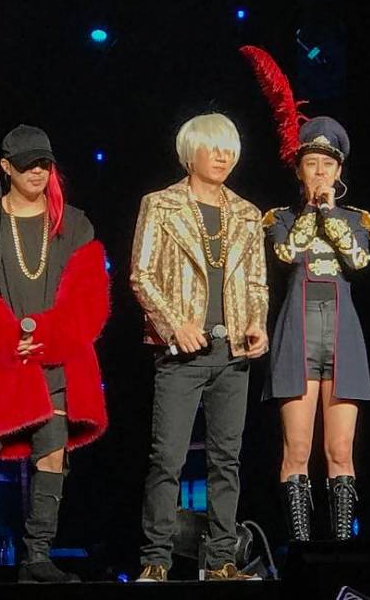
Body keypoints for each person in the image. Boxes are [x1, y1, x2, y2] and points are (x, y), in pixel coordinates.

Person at [0, 124, 109, 583]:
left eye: (44, 163)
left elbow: (87, 295)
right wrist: (2, 337)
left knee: (51, 453)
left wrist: (52, 336)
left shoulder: (74, 224)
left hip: (55, 357)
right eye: (27, 164)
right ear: (6, 167)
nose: (37, 171)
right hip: (1, 359)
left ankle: (37, 558)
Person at [241, 45, 370, 543]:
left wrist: (330, 215)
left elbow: (358, 262)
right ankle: (302, 551)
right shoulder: (280, 218)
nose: (320, 172)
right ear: (298, 169)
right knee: (296, 451)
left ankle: (341, 550)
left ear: (339, 172)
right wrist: (311, 213)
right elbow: (286, 254)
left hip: (343, 335)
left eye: (327, 164)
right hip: (297, 335)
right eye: (311, 163)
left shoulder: (358, 221)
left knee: (340, 452)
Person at [130, 112, 268, 582]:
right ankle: (156, 559)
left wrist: (256, 324)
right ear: (191, 153)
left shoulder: (247, 213)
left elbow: (257, 282)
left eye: (230, 149)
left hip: (233, 354)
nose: (224, 157)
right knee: (167, 459)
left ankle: (221, 560)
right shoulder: (161, 205)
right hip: (182, 356)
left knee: (226, 461)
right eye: (214, 148)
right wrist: (175, 326)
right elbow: (142, 275)